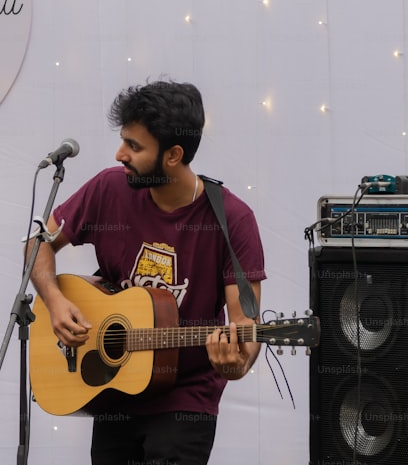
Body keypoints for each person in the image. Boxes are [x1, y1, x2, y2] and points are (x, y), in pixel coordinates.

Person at [29, 81, 266, 465]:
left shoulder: (232, 221)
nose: (120, 154)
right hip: (113, 388)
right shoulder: (110, 188)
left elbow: (245, 326)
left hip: (185, 397)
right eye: (124, 141)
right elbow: (37, 244)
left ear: (173, 155)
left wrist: (236, 363)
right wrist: (55, 302)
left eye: (134, 147)